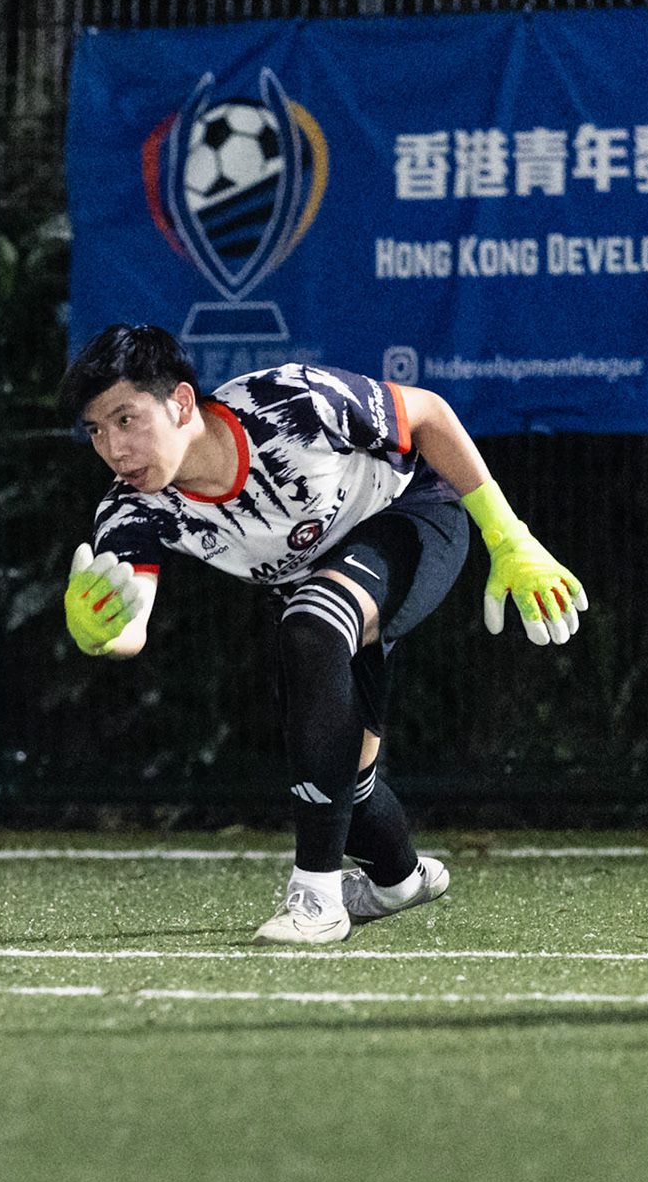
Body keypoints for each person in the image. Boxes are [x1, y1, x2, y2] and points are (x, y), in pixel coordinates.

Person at [57, 324, 584, 944]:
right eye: (96, 430)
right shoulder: (132, 509)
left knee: (309, 624)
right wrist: (100, 630)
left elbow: (431, 414)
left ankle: (316, 897)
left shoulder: (289, 402)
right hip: (327, 593)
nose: (114, 449)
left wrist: (509, 536)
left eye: (125, 419)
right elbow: (134, 624)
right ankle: (399, 880)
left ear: (178, 402)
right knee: (342, 779)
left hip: (413, 517)